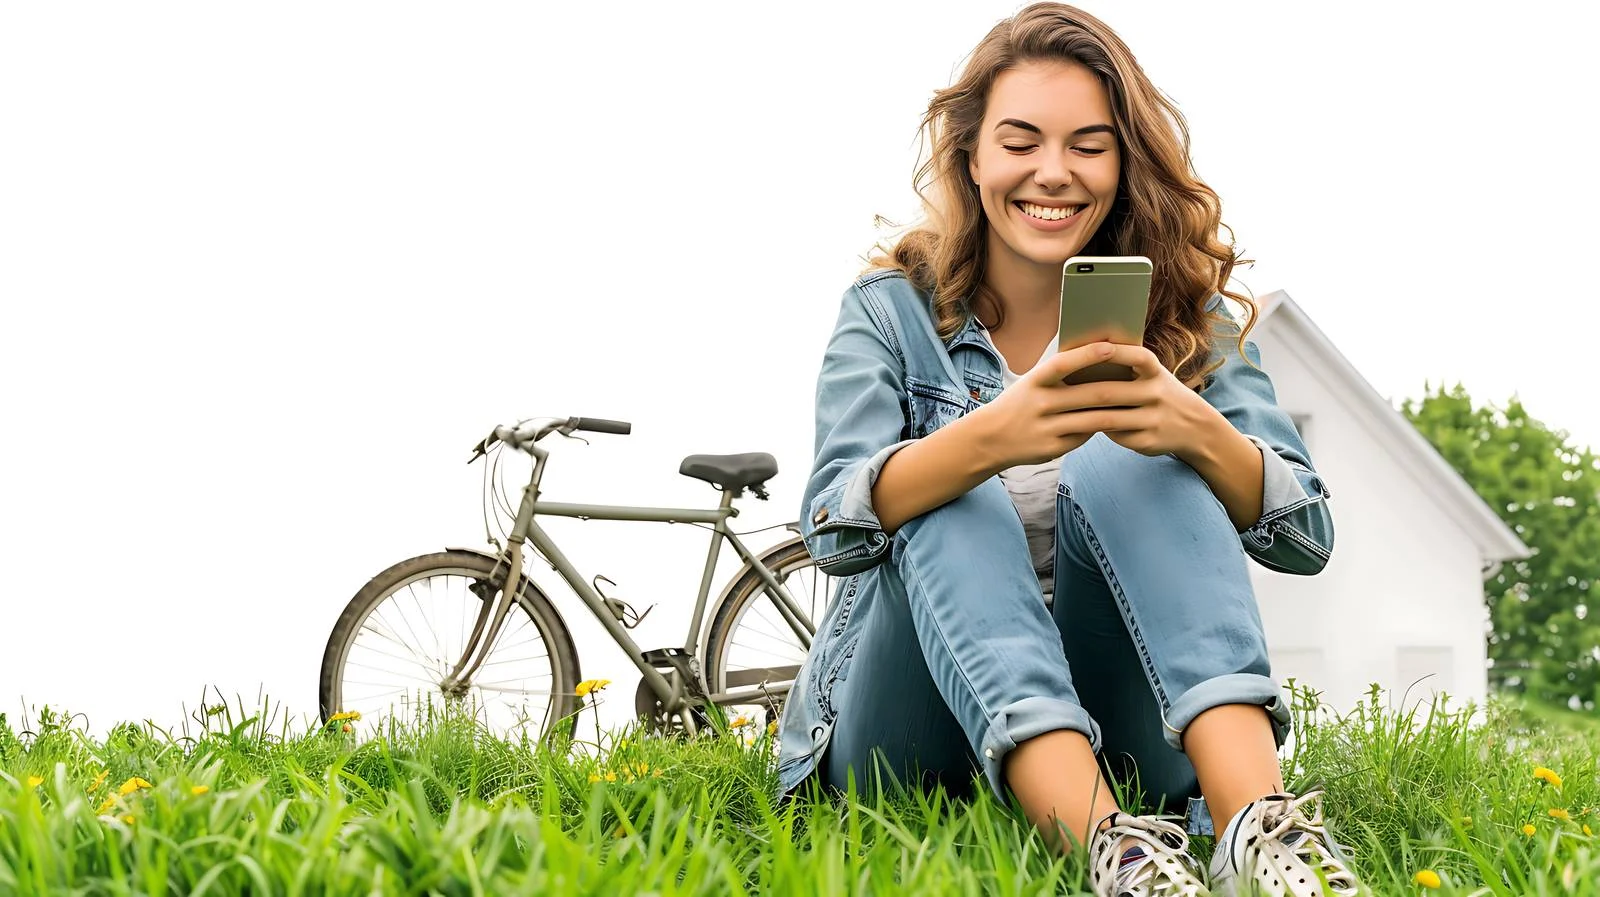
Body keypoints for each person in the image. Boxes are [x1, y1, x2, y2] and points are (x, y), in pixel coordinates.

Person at [773, 4, 1360, 896]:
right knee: (949, 484)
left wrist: (1191, 426)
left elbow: (1304, 537)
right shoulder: (889, 310)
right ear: (972, 157)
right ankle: (1119, 856)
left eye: (1089, 145)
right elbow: (831, 527)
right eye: (1021, 142)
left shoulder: (1184, 313)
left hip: (1121, 730)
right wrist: (989, 439)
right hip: (910, 734)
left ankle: (1263, 837)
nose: (1054, 172)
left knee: (1134, 455)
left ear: (1123, 165)